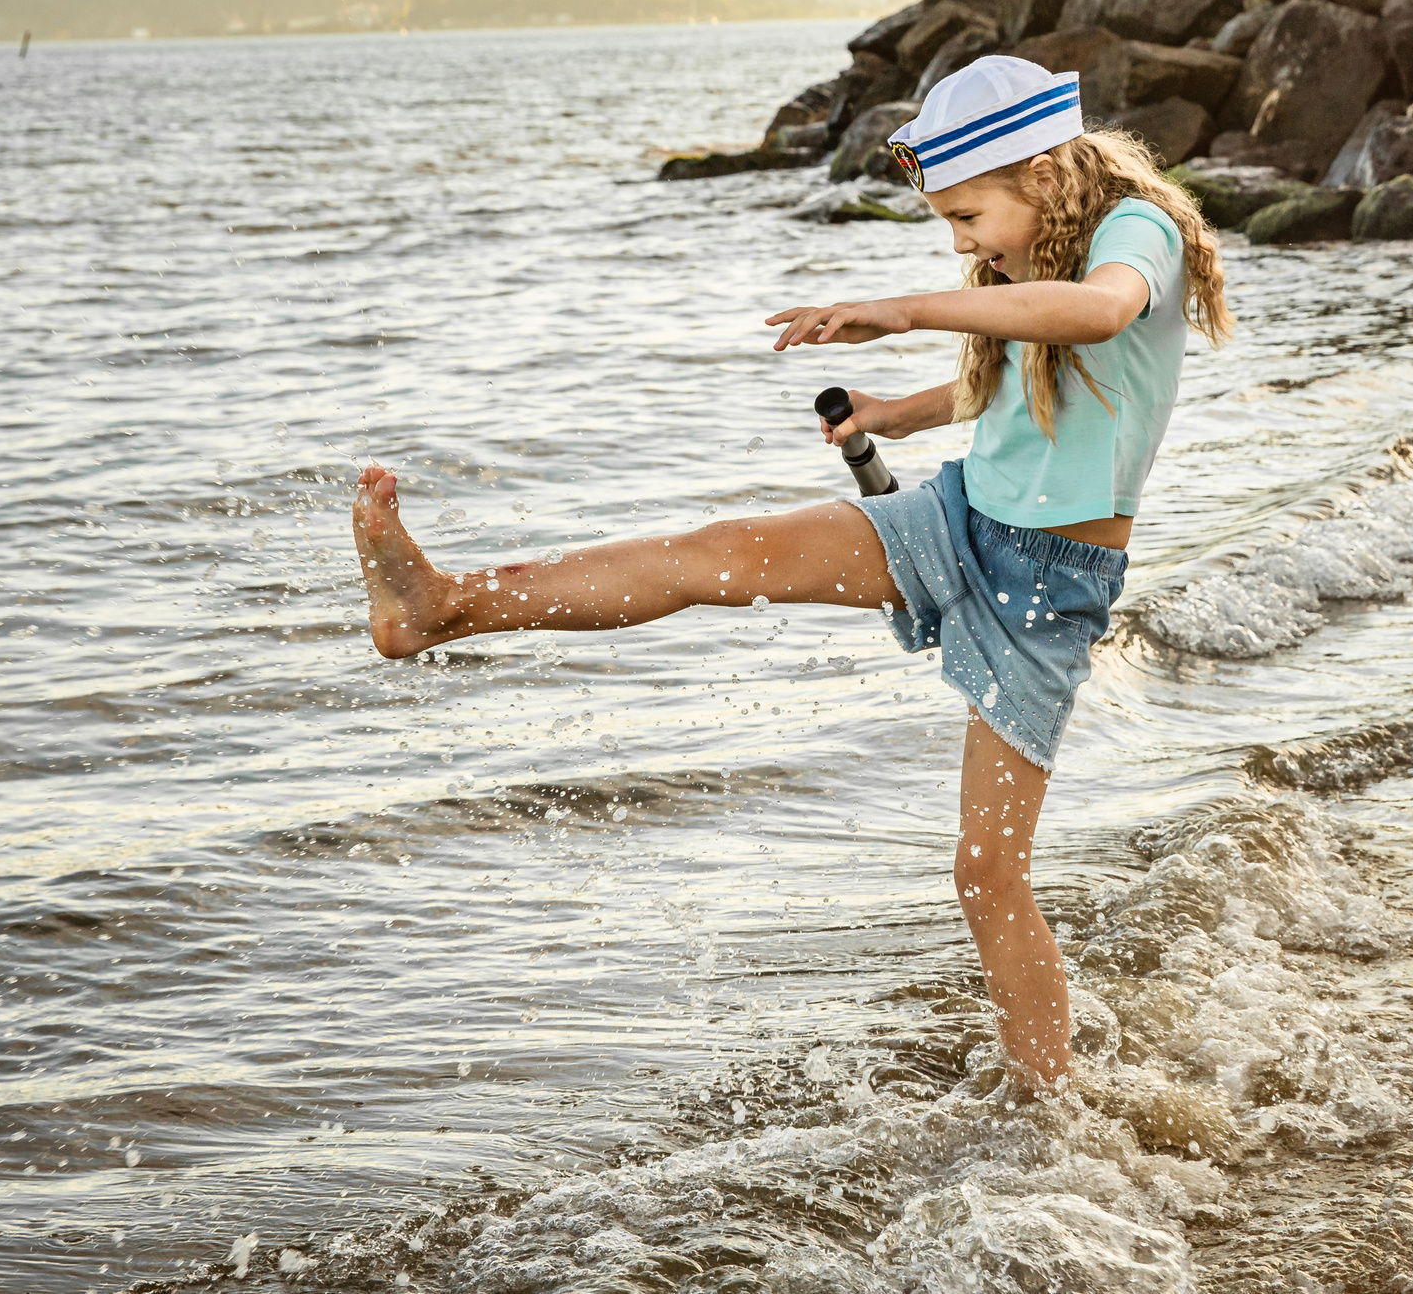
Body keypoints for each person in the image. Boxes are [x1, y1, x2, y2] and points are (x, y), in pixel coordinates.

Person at [349, 56, 1234, 1091]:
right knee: (722, 553)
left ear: (1042, 174)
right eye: (947, 224)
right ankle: (444, 605)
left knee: (986, 871)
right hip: (955, 517)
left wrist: (903, 307)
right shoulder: (1041, 243)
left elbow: (1093, 317)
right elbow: (1039, 376)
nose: (961, 243)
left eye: (966, 216)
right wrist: (897, 412)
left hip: (1047, 585)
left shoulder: (1137, 232)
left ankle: (1048, 1104)